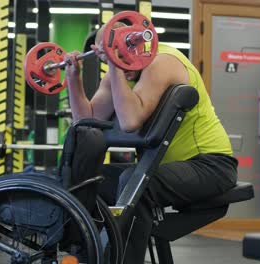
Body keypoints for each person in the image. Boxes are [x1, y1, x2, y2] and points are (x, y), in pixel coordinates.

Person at [62, 22, 238, 263]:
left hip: (211, 166)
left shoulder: (161, 62)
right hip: (160, 167)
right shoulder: (121, 72)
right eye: (112, 58)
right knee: (93, 183)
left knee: (136, 184)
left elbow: (130, 121)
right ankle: (86, 255)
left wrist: (115, 66)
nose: (120, 64)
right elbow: (86, 123)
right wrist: (74, 78)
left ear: (136, 42)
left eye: (122, 55)